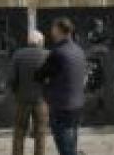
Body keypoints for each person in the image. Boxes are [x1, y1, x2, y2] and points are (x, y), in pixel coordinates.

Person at [35, 17, 87, 155]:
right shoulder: (79, 51)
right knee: (72, 143)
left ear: (58, 30)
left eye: (53, 28)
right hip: (77, 104)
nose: (51, 32)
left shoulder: (58, 53)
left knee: (65, 147)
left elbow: (39, 75)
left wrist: (47, 87)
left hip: (61, 106)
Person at [10, 30, 50, 155]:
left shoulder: (18, 55)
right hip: (41, 100)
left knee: (19, 131)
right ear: (39, 42)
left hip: (22, 99)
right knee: (41, 132)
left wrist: (16, 93)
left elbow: (12, 78)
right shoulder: (47, 55)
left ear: (29, 41)